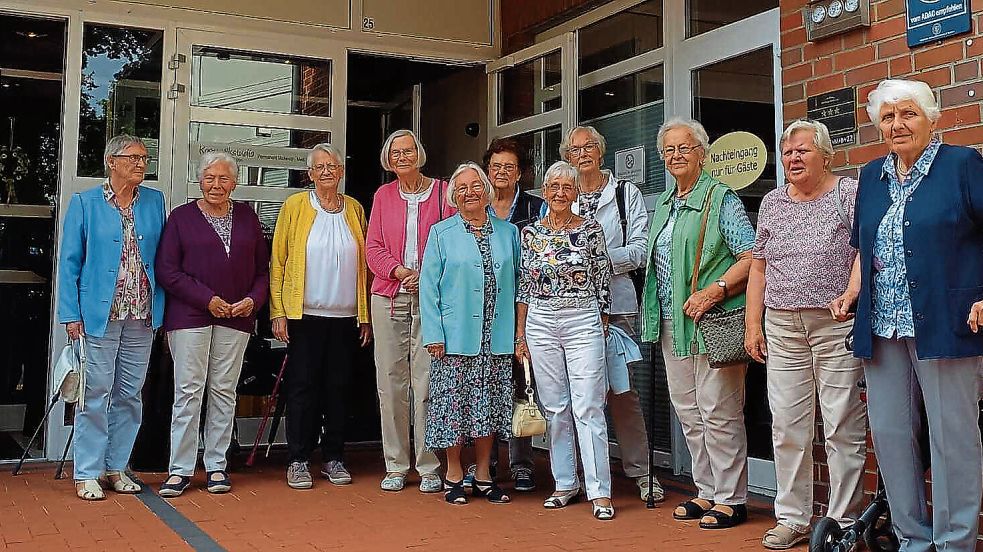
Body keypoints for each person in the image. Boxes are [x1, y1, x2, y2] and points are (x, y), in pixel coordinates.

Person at [844, 79, 983, 551]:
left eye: (908, 114)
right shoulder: (870, 176)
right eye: (887, 117)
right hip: (882, 324)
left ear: (930, 117)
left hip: (948, 321)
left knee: (953, 438)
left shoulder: (962, 165)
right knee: (890, 435)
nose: (897, 124)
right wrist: (852, 290)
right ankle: (912, 540)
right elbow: (865, 246)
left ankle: (955, 542)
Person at [744, 120, 866, 548]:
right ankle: (792, 517)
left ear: (826, 155)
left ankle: (844, 520)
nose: (793, 158)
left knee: (840, 424)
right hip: (782, 325)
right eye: (787, 151)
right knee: (788, 426)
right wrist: (752, 323)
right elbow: (758, 265)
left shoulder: (848, 193)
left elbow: (864, 250)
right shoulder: (774, 201)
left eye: (803, 150)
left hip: (834, 324)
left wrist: (851, 293)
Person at [640, 117, 755, 529]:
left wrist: (715, 291)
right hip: (673, 325)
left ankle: (732, 497)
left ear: (702, 153)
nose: (675, 156)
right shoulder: (666, 204)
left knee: (720, 411)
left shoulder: (719, 199)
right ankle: (706, 491)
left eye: (684, 148)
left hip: (712, 323)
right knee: (689, 413)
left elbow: (751, 256)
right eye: (668, 150)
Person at [57, 134, 166, 500]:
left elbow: (162, 257)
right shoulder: (85, 203)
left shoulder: (154, 202)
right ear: (111, 161)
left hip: (142, 313)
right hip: (98, 315)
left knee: (130, 394)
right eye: (133, 157)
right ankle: (87, 471)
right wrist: (70, 314)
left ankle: (116, 467)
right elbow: (70, 263)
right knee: (95, 392)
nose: (140, 164)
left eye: (144, 158)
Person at [156, 152, 270, 497]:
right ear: (199, 181)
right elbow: (167, 270)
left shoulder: (249, 218)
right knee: (189, 391)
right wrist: (207, 299)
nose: (216, 185)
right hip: (190, 315)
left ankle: (217, 465)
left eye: (223, 179)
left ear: (234, 183)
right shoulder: (181, 218)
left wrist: (253, 300)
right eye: (209, 178)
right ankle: (180, 469)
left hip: (236, 317)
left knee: (223, 390)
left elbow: (263, 271)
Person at [560, 125, 662, 504]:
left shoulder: (623, 193)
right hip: (567, 310)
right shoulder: (560, 194)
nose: (582, 154)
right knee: (577, 397)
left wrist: (597, 261)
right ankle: (584, 477)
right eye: (574, 150)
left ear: (601, 152)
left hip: (615, 308)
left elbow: (639, 248)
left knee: (622, 393)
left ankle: (641, 473)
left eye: (588, 147)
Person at [269, 143, 372, 490]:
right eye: (319, 167)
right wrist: (278, 312)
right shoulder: (295, 206)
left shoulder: (355, 209)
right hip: (304, 315)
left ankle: (334, 457)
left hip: (345, 318)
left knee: (339, 389)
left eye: (333, 166)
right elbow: (279, 262)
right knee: (302, 388)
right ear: (310, 174)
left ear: (341, 171)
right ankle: (298, 459)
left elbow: (365, 267)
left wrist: (365, 315)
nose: (326, 171)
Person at [516, 161, 615, 521]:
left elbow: (604, 281)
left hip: (582, 318)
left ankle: (600, 491)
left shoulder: (590, 230)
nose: (560, 193)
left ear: (576, 193)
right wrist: (520, 333)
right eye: (553, 186)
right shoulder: (530, 234)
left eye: (567, 187)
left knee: (588, 405)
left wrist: (601, 323)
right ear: (544, 191)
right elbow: (524, 286)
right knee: (555, 406)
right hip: (540, 320)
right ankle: (565, 483)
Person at [420, 162, 520, 505]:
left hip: (496, 336)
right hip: (454, 337)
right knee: (452, 406)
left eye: (475, 185)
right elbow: (427, 287)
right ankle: (452, 473)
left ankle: (482, 474)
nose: (469, 192)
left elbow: (520, 286)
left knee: (487, 406)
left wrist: (520, 335)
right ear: (453, 196)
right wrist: (433, 332)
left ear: (486, 189)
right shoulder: (440, 233)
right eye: (461, 187)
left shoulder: (509, 233)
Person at [366, 130, 452, 493]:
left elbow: (452, 236)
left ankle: (430, 466)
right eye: (396, 152)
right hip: (389, 295)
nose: (403, 157)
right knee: (390, 380)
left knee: (428, 380)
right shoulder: (383, 195)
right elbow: (372, 247)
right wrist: (399, 272)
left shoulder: (443, 191)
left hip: (431, 298)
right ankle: (396, 464)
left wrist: (427, 275)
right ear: (389, 159)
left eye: (409, 150)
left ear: (420, 153)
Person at [460, 137, 544, 493]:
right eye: (495, 167)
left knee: (523, 385)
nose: (502, 173)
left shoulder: (535, 207)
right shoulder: (475, 207)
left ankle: (522, 463)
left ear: (520, 172)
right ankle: (487, 462)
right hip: (481, 313)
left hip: (523, 309)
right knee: (485, 387)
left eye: (509, 167)